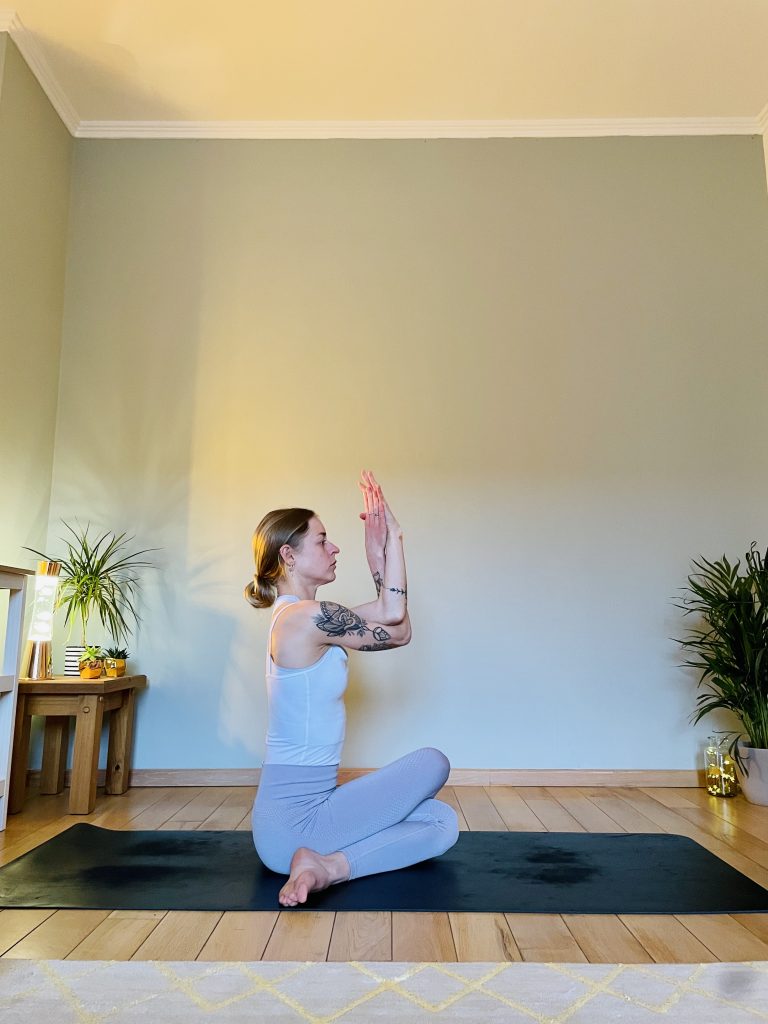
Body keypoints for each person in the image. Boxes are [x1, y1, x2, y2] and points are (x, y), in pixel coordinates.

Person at [245, 470, 459, 907]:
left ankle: (327, 865)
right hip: (293, 822)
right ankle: (327, 867)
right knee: (433, 762)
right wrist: (392, 537)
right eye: (322, 540)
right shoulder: (303, 619)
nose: (333, 547)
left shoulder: (307, 617)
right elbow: (394, 612)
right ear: (289, 554)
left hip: (311, 816)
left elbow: (396, 627)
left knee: (439, 822)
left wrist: (376, 555)